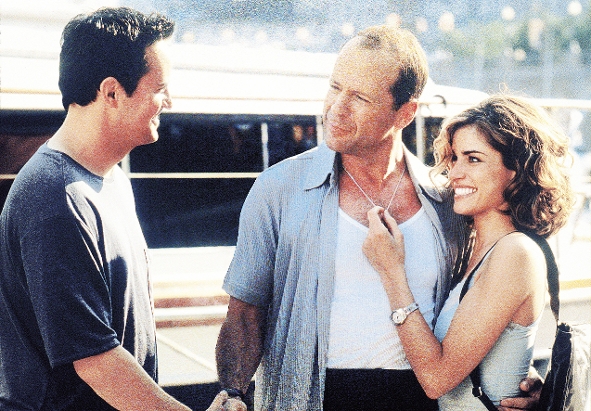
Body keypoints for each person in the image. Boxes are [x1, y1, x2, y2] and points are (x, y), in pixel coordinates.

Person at [208, 25, 543, 411]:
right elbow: (244, 315)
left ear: (405, 113)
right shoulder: (279, 190)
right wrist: (233, 393)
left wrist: (523, 382)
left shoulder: (445, 202)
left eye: (360, 97)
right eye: (335, 87)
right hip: (311, 400)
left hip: (421, 400)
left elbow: (489, 306)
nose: (336, 108)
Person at [0, 7, 192, 410]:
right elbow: (97, 362)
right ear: (111, 93)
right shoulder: (54, 199)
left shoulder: (111, 179)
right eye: (160, 88)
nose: (170, 102)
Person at [363, 94, 574, 409]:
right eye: (454, 158)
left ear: (516, 170)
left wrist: (391, 272)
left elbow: (437, 379)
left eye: (473, 159)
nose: (454, 173)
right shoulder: (474, 247)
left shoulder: (515, 252)